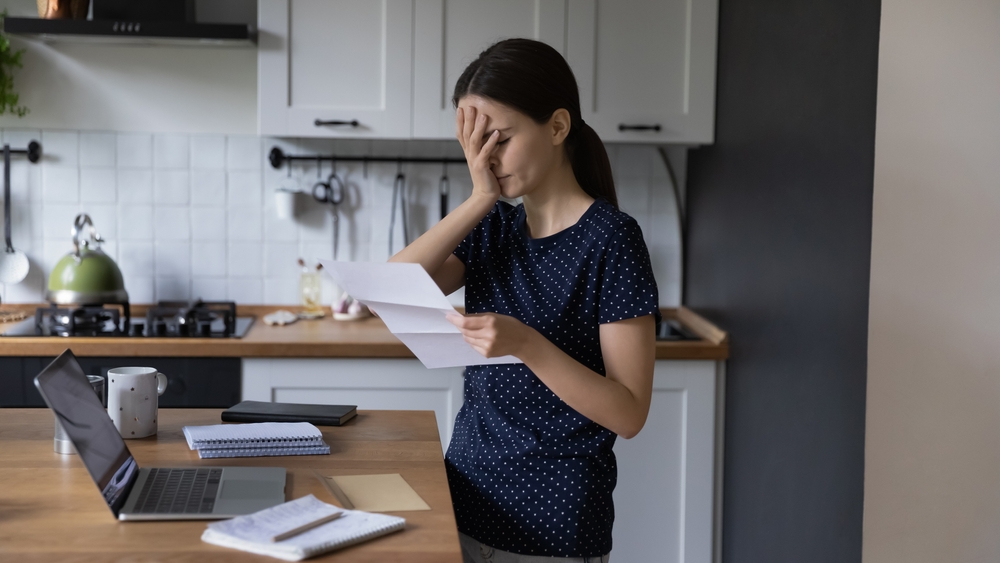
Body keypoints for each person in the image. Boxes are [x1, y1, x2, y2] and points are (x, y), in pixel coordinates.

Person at [389, 38, 660, 563]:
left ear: (557, 127)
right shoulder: (493, 225)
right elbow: (392, 292)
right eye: (474, 143)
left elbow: (628, 414)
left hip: (553, 523)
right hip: (465, 499)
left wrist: (527, 345)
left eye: (499, 138)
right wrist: (480, 198)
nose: (485, 158)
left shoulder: (612, 239)